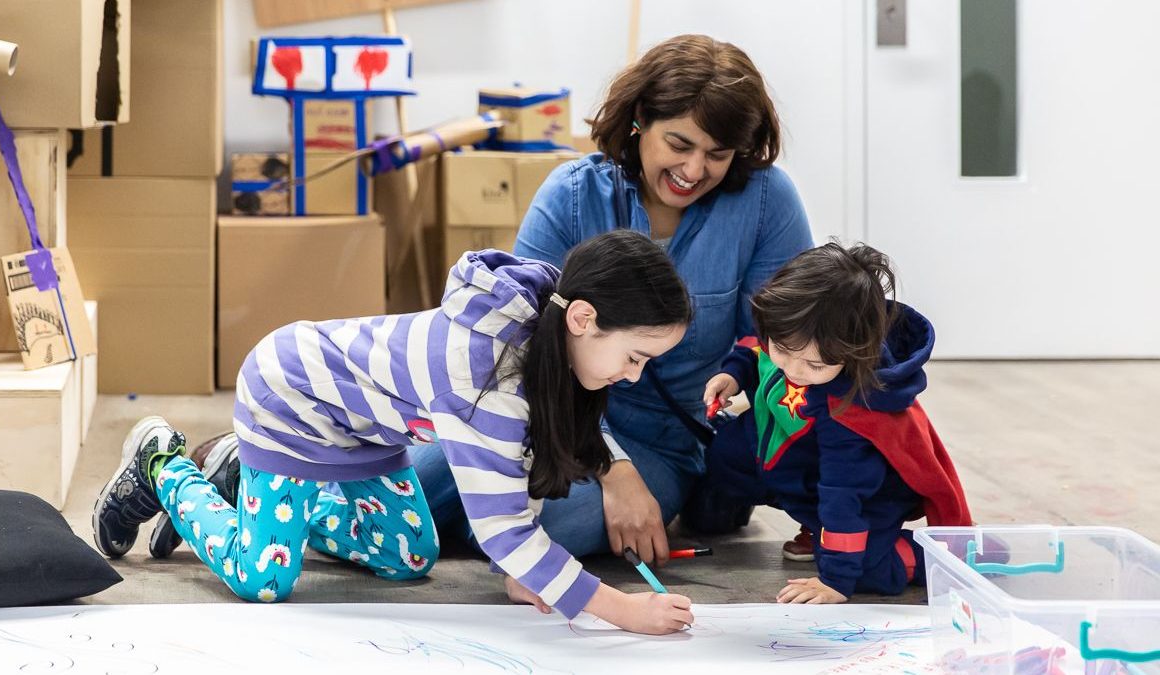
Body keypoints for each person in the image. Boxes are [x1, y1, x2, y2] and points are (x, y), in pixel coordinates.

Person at [92, 230, 696, 635]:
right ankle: (163, 465)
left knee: (409, 558)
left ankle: (239, 470)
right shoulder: (483, 377)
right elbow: (502, 528)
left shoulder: (547, 340)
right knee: (264, 578)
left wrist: (523, 574)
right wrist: (622, 611)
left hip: (363, 430)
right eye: (635, 356)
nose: (633, 376)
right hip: (290, 395)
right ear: (585, 319)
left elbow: (517, 468)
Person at [411, 33, 815, 568]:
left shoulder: (768, 202)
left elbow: (776, 344)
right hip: (540, 417)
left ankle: (450, 526)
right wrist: (610, 465)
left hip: (662, 442)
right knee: (410, 476)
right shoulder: (571, 195)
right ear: (639, 120)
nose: (694, 171)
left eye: (717, 154)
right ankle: (453, 522)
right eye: (678, 144)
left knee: (555, 525)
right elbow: (518, 344)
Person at [701, 242, 972, 603]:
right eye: (782, 349)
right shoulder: (787, 333)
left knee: (867, 568)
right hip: (793, 458)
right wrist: (734, 374)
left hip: (864, 494)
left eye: (814, 365)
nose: (794, 371)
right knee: (727, 452)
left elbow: (842, 496)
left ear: (853, 353)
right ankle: (816, 528)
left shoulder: (850, 413)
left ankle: (916, 555)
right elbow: (755, 348)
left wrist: (837, 579)